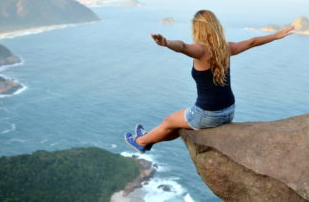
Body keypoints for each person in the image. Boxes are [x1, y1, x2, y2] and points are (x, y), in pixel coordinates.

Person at [125, 10, 294, 153]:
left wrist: (166, 43)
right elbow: (252, 42)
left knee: (169, 121)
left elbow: (182, 46)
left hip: (208, 115)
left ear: (198, 29)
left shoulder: (200, 50)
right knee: (177, 126)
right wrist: (277, 35)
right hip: (229, 111)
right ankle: (149, 140)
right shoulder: (226, 48)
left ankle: (140, 142)